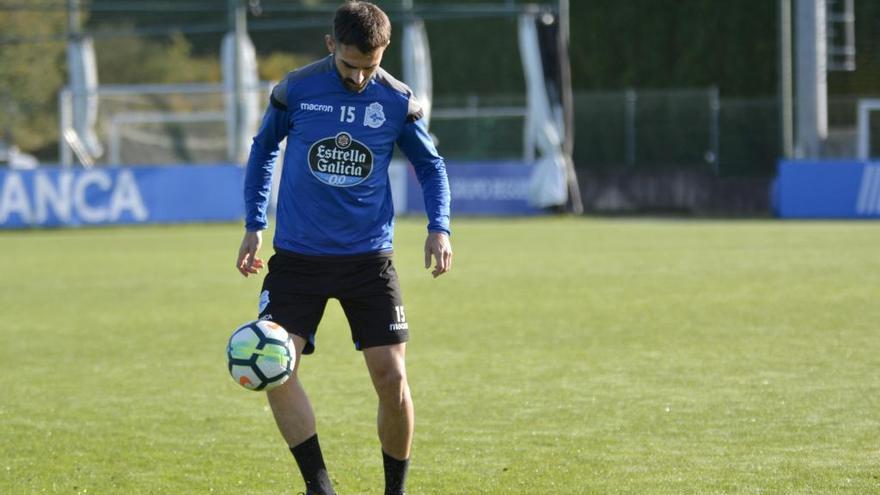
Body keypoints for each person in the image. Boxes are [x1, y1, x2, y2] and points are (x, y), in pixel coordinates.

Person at [234, 2, 452, 494]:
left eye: (369, 67)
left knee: (392, 377)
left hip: (368, 259)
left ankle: (393, 491)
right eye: (350, 65)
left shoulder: (397, 100)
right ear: (331, 44)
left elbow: (432, 166)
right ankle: (319, 487)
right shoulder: (296, 90)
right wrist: (254, 223)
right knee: (274, 363)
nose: (358, 77)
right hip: (297, 259)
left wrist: (440, 227)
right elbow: (263, 149)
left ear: (384, 53)